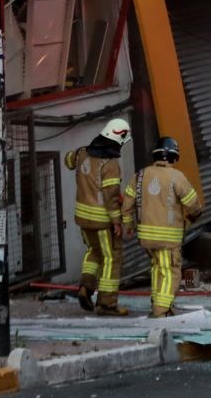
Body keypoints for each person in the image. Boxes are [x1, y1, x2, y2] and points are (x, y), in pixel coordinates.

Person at [125, 137, 201, 318]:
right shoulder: (177, 177)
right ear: (174, 157)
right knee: (169, 272)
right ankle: (161, 311)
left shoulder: (140, 175)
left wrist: (128, 225)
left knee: (157, 269)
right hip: (168, 239)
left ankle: (161, 305)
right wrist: (193, 216)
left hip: (146, 239)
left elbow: (126, 204)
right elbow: (194, 205)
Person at [64, 117, 133, 316]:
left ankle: (86, 287)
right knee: (111, 258)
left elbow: (67, 160)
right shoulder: (110, 163)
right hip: (102, 221)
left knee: (94, 252)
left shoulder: (82, 153)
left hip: (83, 219)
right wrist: (117, 221)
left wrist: (77, 154)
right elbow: (111, 196)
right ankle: (107, 304)